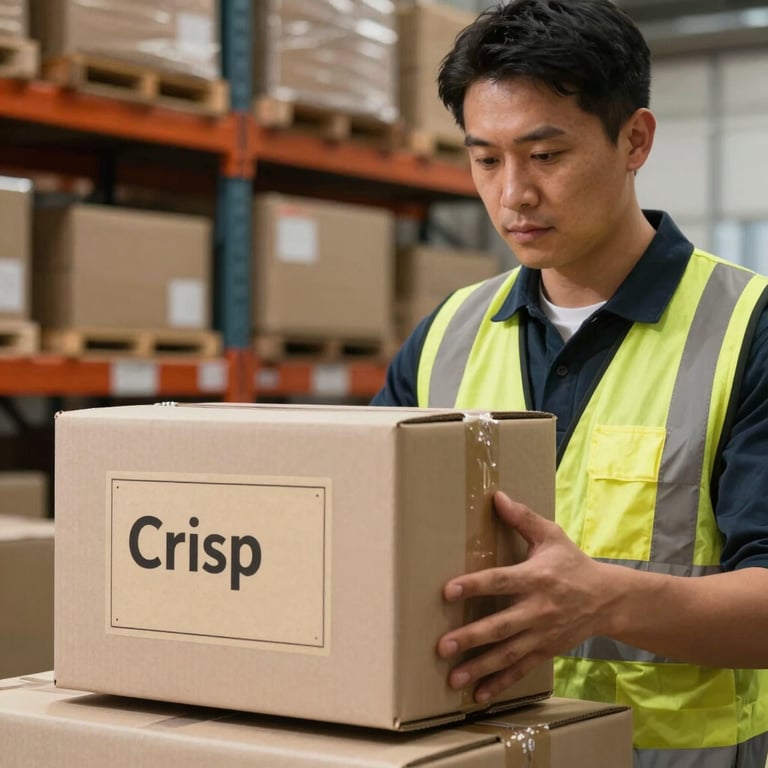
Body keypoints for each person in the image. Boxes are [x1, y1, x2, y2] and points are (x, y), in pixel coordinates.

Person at [371, 1, 768, 765]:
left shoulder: (746, 329)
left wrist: (605, 598)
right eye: (486, 159)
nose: (513, 193)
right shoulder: (447, 335)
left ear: (635, 141)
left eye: (545, 155)